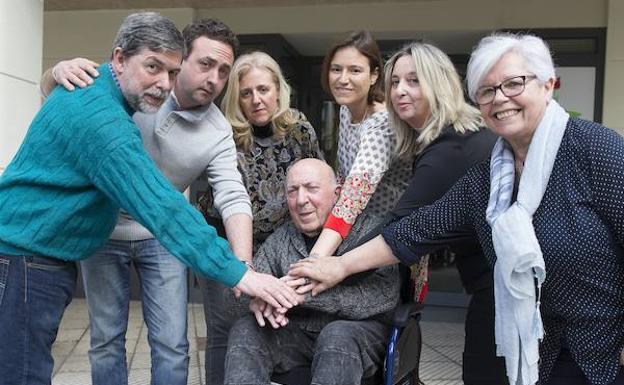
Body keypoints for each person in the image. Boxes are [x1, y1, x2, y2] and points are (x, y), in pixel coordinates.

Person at [291, 32, 624, 385]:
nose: (500, 98)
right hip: (530, 345)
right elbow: (413, 230)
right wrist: (337, 266)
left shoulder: (595, 148)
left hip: (599, 350)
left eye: (513, 84)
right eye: (487, 90)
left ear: (548, 85)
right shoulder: (487, 177)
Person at [0, 12, 299, 385]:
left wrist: (242, 263)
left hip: (51, 253)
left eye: (170, 72)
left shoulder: (119, 93)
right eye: (154, 66)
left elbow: (228, 195)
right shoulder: (108, 116)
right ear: (120, 58)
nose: (163, 82)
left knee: (169, 346)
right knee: (30, 368)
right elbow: (161, 205)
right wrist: (240, 274)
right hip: (30, 257)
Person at [197, 50, 324, 385]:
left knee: (275, 328)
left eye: (264, 89)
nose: (256, 100)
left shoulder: (298, 128)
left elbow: (317, 180)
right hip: (226, 249)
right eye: (246, 92)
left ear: (278, 90)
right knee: (227, 333)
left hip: (283, 248)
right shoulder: (222, 131)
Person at [224, 158, 399, 385]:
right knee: (246, 328)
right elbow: (237, 298)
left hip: (361, 335)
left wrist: (304, 296)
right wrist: (258, 297)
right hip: (297, 334)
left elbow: (385, 297)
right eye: (293, 191)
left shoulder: (370, 232)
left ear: (338, 193)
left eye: (311, 189)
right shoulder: (282, 240)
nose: (301, 200)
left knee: (336, 335)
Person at [309, 30, 412, 259]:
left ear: (374, 75)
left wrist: (315, 258)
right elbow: (344, 174)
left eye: (355, 70)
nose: (342, 79)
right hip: (355, 230)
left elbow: (354, 194)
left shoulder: (382, 124)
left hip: (390, 237)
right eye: (336, 69)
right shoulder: (346, 108)